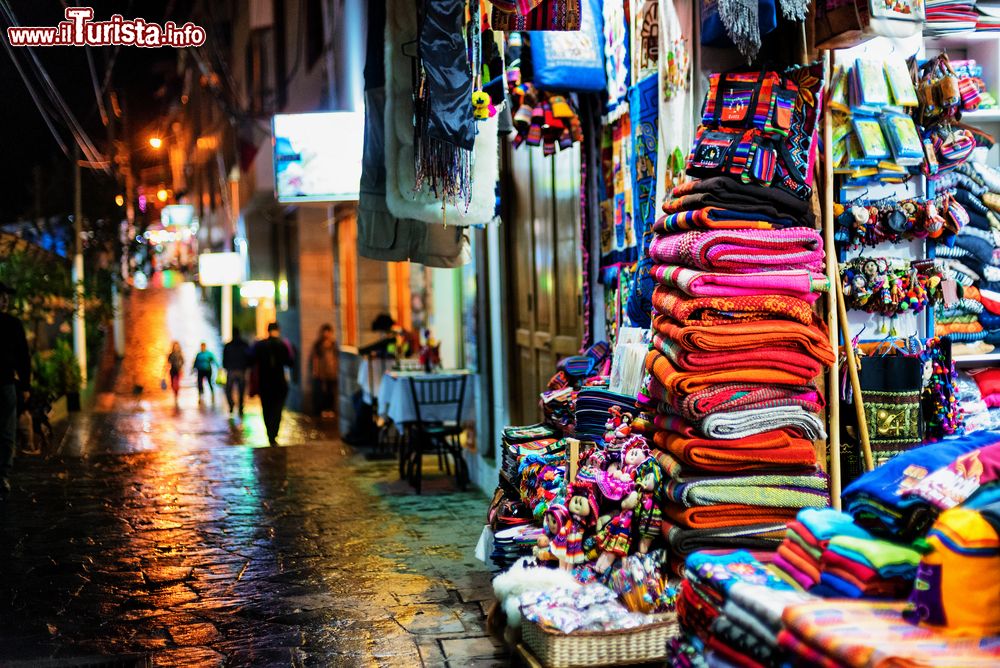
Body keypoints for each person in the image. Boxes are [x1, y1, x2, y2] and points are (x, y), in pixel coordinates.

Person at [0, 282, 30, 500]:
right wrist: (26, 385)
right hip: (5, 384)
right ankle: (2, 474)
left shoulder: (13, 323)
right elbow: (23, 357)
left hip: (6, 384)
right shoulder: (12, 324)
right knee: (6, 432)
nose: (5, 300)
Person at [253, 322, 294, 446]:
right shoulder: (283, 345)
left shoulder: (260, 345)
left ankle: (269, 433)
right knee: (277, 409)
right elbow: (290, 362)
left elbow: (251, 360)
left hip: (264, 383)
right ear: (278, 330)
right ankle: (273, 434)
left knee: (266, 409)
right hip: (279, 383)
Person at [309, 324, 338, 419]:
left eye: (328, 332)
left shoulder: (334, 344)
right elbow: (315, 359)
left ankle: (330, 409)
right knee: (323, 392)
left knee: (331, 392)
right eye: (325, 332)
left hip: (332, 373)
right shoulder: (318, 345)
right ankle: (323, 410)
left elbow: (336, 358)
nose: (327, 334)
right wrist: (315, 371)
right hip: (322, 373)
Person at [222, 329, 251, 418]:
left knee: (228, 390)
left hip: (231, 370)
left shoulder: (228, 346)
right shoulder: (245, 345)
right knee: (241, 390)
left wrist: (226, 367)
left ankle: (232, 405)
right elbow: (249, 357)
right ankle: (240, 407)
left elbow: (224, 359)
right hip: (241, 370)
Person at [165, 342, 184, 406]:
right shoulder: (171, 354)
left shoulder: (180, 354)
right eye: (174, 346)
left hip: (178, 370)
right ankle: (175, 394)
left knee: (177, 384)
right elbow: (168, 362)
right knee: (172, 384)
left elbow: (183, 362)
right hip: (172, 370)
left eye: (176, 346)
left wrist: (181, 369)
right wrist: (165, 369)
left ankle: (176, 395)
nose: (175, 347)